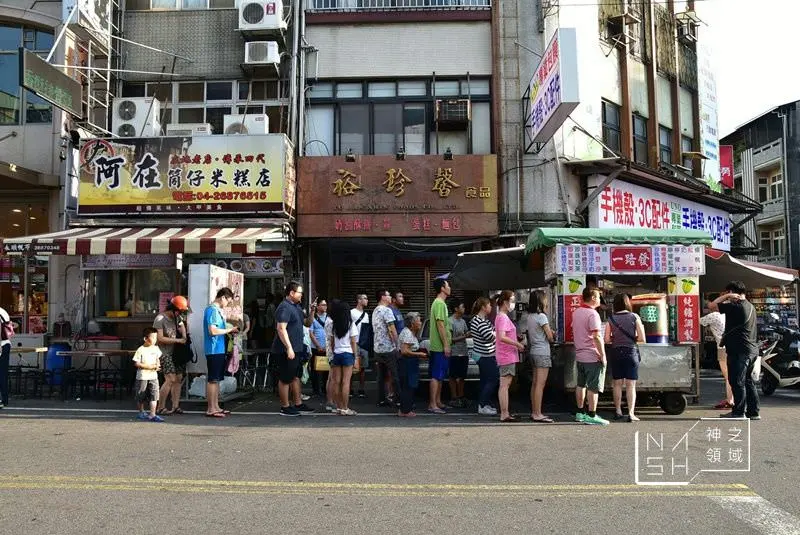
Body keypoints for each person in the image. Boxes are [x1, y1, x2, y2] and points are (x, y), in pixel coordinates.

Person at [710, 281, 760, 420]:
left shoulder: (736, 306)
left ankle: (738, 412)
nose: (726, 296)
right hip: (751, 350)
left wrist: (727, 297)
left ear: (733, 292)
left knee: (737, 381)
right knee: (748, 381)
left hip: (739, 351)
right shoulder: (750, 306)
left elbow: (712, 305)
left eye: (728, 293)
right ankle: (753, 412)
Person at [273, 282, 314, 417]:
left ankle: (298, 403)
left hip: (297, 348)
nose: (301, 295)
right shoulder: (284, 307)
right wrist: (289, 347)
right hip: (285, 349)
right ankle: (285, 407)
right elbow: (281, 328)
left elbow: (307, 323)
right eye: (299, 293)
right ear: (291, 293)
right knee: (285, 378)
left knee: (295, 376)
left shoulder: (296, 307)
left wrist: (312, 311)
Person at [604, 294, 646, 422]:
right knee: (630, 385)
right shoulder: (634, 317)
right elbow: (642, 339)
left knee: (617, 383)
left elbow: (606, 339)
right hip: (631, 352)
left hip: (616, 352)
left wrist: (615, 339)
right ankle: (631, 413)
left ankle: (618, 411)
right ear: (628, 303)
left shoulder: (610, 318)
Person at [572, 287, 609, 426]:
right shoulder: (593, 314)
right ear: (593, 298)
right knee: (593, 387)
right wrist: (603, 355)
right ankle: (592, 414)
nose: (600, 299)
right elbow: (597, 336)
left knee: (581, 385)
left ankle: (580, 412)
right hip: (592, 356)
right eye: (598, 297)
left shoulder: (577, 312)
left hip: (580, 355)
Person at [203, 288, 238, 418]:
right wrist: (229, 330)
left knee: (217, 379)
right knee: (213, 380)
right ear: (223, 297)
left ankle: (216, 406)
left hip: (219, 349)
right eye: (228, 301)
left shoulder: (216, 311)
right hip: (213, 349)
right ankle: (211, 408)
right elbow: (212, 331)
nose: (227, 304)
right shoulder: (212, 310)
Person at [154, 295, 189, 416]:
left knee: (178, 378)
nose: (180, 313)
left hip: (176, 353)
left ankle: (175, 406)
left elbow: (182, 327)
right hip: (164, 352)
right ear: (173, 309)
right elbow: (159, 338)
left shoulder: (177, 317)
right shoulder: (160, 319)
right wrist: (178, 341)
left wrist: (184, 336)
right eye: (179, 311)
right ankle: (161, 407)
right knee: (170, 379)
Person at [523, 290, 555, 423]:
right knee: (540, 385)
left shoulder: (529, 316)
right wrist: (553, 334)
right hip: (542, 352)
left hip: (534, 351)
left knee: (535, 383)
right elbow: (550, 337)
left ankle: (534, 411)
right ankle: (537, 413)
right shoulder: (541, 316)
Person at [495, 291, 524, 422]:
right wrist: (517, 344)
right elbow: (501, 337)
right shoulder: (502, 317)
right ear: (505, 302)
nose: (513, 303)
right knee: (504, 385)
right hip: (506, 355)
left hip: (507, 355)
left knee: (505, 384)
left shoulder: (502, 317)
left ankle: (505, 412)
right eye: (512, 300)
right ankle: (504, 413)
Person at [326, 299, 359, 415]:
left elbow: (332, 342)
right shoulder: (350, 324)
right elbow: (353, 342)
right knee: (346, 382)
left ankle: (339, 407)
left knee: (336, 382)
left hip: (337, 354)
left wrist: (334, 351)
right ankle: (345, 408)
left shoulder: (333, 325)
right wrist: (355, 358)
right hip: (347, 354)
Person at [700, 303, 733, 409]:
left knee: (728, 376)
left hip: (723, 348)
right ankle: (731, 400)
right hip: (733, 347)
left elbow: (698, 321)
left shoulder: (714, 315)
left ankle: (730, 400)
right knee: (732, 375)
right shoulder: (727, 315)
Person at [428, 278, 452, 414]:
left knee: (441, 375)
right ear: (442, 288)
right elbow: (440, 324)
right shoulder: (439, 303)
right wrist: (446, 345)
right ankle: (432, 404)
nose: (450, 288)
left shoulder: (441, 303)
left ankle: (438, 401)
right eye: (448, 285)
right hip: (439, 347)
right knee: (436, 376)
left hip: (440, 346)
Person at [470, 297, 498, 416]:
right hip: (484, 355)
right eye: (489, 305)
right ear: (483, 307)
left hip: (485, 354)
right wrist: (498, 333)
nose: (491, 307)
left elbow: (492, 331)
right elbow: (490, 336)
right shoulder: (478, 321)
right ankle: (482, 405)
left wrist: (495, 332)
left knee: (485, 380)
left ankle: (484, 403)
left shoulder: (483, 320)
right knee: (493, 379)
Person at [373, 289, 400, 407]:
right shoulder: (387, 310)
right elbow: (392, 328)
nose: (390, 298)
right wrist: (398, 344)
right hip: (388, 348)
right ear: (383, 297)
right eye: (389, 296)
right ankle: (398, 399)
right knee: (395, 374)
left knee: (381, 376)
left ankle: (381, 399)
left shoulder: (375, 310)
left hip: (377, 348)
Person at [398, 311, 427, 417]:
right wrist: (419, 353)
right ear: (412, 323)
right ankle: (405, 410)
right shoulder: (407, 333)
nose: (420, 323)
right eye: (419, 321)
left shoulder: (410, 333)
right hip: (407, 362)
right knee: (408, 385)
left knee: (409, 385)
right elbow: (404, 351)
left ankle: (405, 409)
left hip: (410, 362)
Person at [132, 327, 164, 423]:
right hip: (143, 376)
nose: (155, 340)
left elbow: (158, 358)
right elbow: (136, 363)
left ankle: (152, 414)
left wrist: (157, 365)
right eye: (153, 337)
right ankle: (141, 411)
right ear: (145, 339)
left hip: (153, 376)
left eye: (156, 337)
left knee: (154, 395)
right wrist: (149, 367)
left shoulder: (156, 348)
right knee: (141, 394)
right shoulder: (141, 349)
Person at [447, 301, 470, 408]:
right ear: (456, 309)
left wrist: (466, 335)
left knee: (462, 376)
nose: (464, 308)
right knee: (453, 376)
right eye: (462, 306)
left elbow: (466, 333)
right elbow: (450, 339)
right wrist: (465, 336)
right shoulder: (450, 321)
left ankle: (461, 396)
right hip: (454, 352)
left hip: (463, 351)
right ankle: (454, 397)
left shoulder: (463, 321)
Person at [351, 294, 370, 399]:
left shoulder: (366, 315)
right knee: (353, 368)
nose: (367, 300)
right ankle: (350, 388)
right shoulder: (352, 312)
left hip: (364, 344)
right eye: (364, 298)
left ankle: (361, 388)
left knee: (363, 368)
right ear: (359, 300)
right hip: (354, 343)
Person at [308, 298, 328, 397]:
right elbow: (310, 333)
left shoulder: (329, 317)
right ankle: (316, 390)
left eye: (326, 305)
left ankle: (325, 389)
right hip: (316, 347)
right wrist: (318, 345)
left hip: (327, 347)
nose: (325, 307)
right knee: (316, 370)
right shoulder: (313, 317)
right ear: (318, 306)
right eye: (323, 305)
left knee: (327, 370)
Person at [0, 305, 13, 409]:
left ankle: (2, 399)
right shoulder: (3, 311)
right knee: (3, 373)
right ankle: (4, 399)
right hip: (6, 344)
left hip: (1, 344)